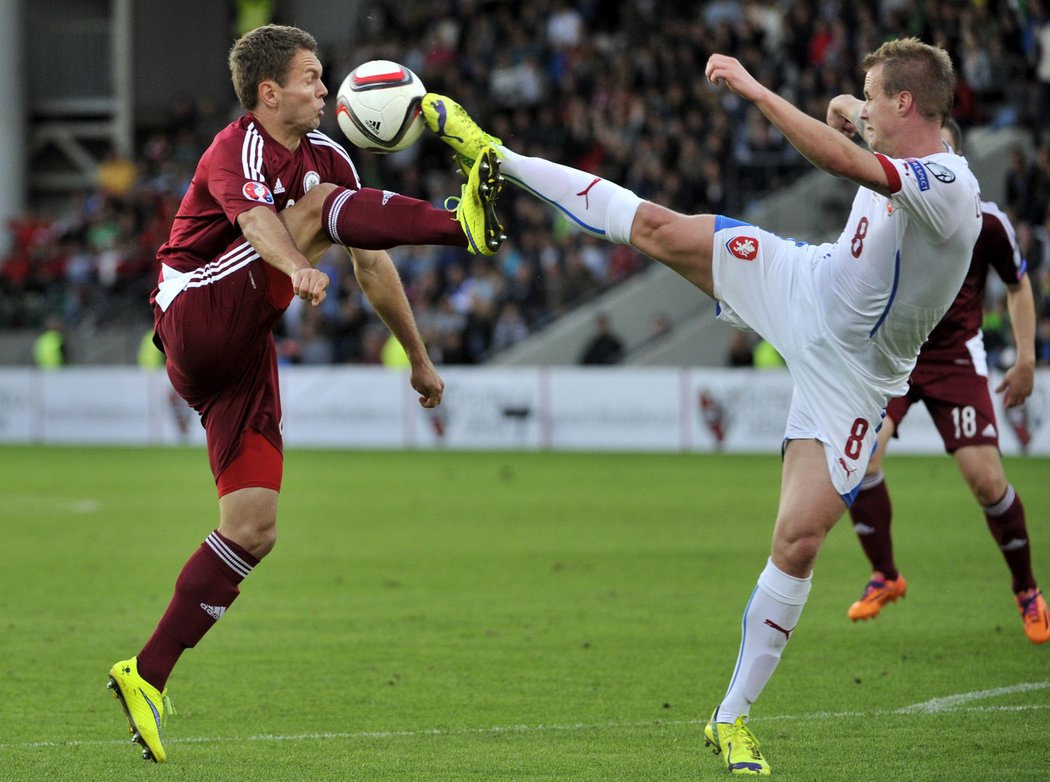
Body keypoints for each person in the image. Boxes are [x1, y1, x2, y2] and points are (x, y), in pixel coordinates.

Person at [422, 37, 981, 775]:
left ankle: (729, 719)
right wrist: (851, 107)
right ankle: (494, 155)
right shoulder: (895, 133)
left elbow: (847, 159)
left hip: (858, 376)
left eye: (877, 96)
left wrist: (757, 93)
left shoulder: (948, 184)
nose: (865, 106)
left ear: (907, 103)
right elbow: (850, 120)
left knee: (799, 541)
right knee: (659, 227)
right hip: (802, 283)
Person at [106, 24, 506, 764]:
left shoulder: (328, 160)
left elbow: (371, 263)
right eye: (313, 77)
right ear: (269, 91)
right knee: (320, 205)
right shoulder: (238, 147)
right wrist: (297, 266)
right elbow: (259, 221)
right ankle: (461, 226)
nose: (327, 88)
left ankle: (147, 674)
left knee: (253, 526)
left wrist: (417, 357)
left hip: (243, 348)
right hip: (195, 310)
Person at [846, 118, 1047, 643]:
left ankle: (1026, 589)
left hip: (955, 357)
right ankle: (885, 574)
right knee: (862, 460)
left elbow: (1018, 286)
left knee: (985, 481)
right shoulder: (891, 203)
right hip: (894, 357)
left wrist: (1025, 358)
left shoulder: (986, 221)